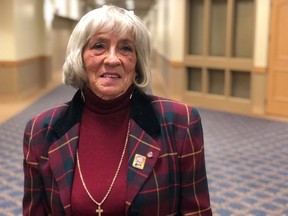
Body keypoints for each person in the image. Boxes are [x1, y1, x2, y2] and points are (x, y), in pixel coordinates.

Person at [22, 5, 212, 216]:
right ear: (80, 57)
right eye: (99, 46)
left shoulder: (181, 123)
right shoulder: (41, 131)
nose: (112, 59)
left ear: (137, 61)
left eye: (125, 48)